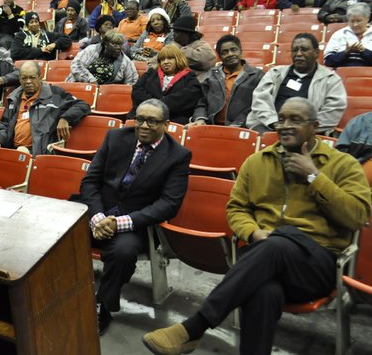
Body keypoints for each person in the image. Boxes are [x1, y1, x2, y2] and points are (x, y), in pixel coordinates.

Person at [143, 96, 370, 355]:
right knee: (264, 292)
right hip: (265, 257)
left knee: (279, 243)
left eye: (295, 120)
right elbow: (237, 208)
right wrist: (253, 232)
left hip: (315, 263)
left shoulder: (342, 164)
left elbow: (357, 216)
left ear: (314, 126)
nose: (285, 125)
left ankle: (195, 327)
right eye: (281, 119)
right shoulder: (258, 161)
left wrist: (313, 176)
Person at [81, 98, 191, 334]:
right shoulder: (116, 138)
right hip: (99, 210)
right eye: (140, 119)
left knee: (123, 252)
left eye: (152, 121)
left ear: (166, 124)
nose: (143, 125)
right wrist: (98, 217)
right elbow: (90, 181)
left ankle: (104, 306)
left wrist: (120, 223)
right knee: (58, 231)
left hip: (135, 221)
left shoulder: (178, 156)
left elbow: (169, 204)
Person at [246, 33, 347, 133]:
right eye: (295, 50)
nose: (298, 54)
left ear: (316, 53)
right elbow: (260, 100)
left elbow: (333, 111)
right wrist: (274, 123)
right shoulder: (275, 73)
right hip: (268, 126)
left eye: (304, 49)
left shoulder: (331, 79)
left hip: (307, 132)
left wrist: (302, 128)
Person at [0, 61, 90, 155]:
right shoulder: (14, 98)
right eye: (24, 78)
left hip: (40, 152)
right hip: (13, 150)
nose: (28, 82)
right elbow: (4, 124)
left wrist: (65, 118)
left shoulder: (54, 93)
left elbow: (82, 105)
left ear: (40, 78)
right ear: (19, 79)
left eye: (32, 78)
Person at [190, 35, 265, 126]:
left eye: (233, 50)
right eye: (224, 52)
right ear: (220, 57)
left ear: (240, 51)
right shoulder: (211, 75)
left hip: (243, 127)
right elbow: (202, 102)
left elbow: (257, 106)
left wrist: (238, 124)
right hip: (211, 125)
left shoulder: (257, 76)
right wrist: (200, 118)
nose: (230, 54)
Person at [129, 44, 202, 123]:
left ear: (178, 59)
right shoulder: (151, 73)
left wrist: (159, 105)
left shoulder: (189, 77)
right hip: (145, 115)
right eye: (162, 59)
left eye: (170, 58)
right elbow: (137, 90)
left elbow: (188, 96)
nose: (165, 62)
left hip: (174, 119)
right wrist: (154, 105)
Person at [66, 30, 138, 85]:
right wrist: (91, 81)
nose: (119, 48)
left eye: (120, 44)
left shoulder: (125, 60)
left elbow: (132, 81)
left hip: (106, 95)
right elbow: (76, 66)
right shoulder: (91, 50)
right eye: (114, 44)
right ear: (105, 44)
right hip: (81, 85)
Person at [323, 3, 372, 68]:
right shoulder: (339, 34)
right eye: (352, 21)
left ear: (367, 19)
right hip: (341, 74)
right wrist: (345, 52)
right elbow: (328, 62)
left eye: (359, 21)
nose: (355, 25)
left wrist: (364, 51)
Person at [171, 16, 216, 82]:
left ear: (186, 34)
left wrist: (178, 52)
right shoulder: (173, 45)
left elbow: (206, 60)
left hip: (198, 83)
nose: (174, 35)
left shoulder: (201, 45)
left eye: (177, 32)